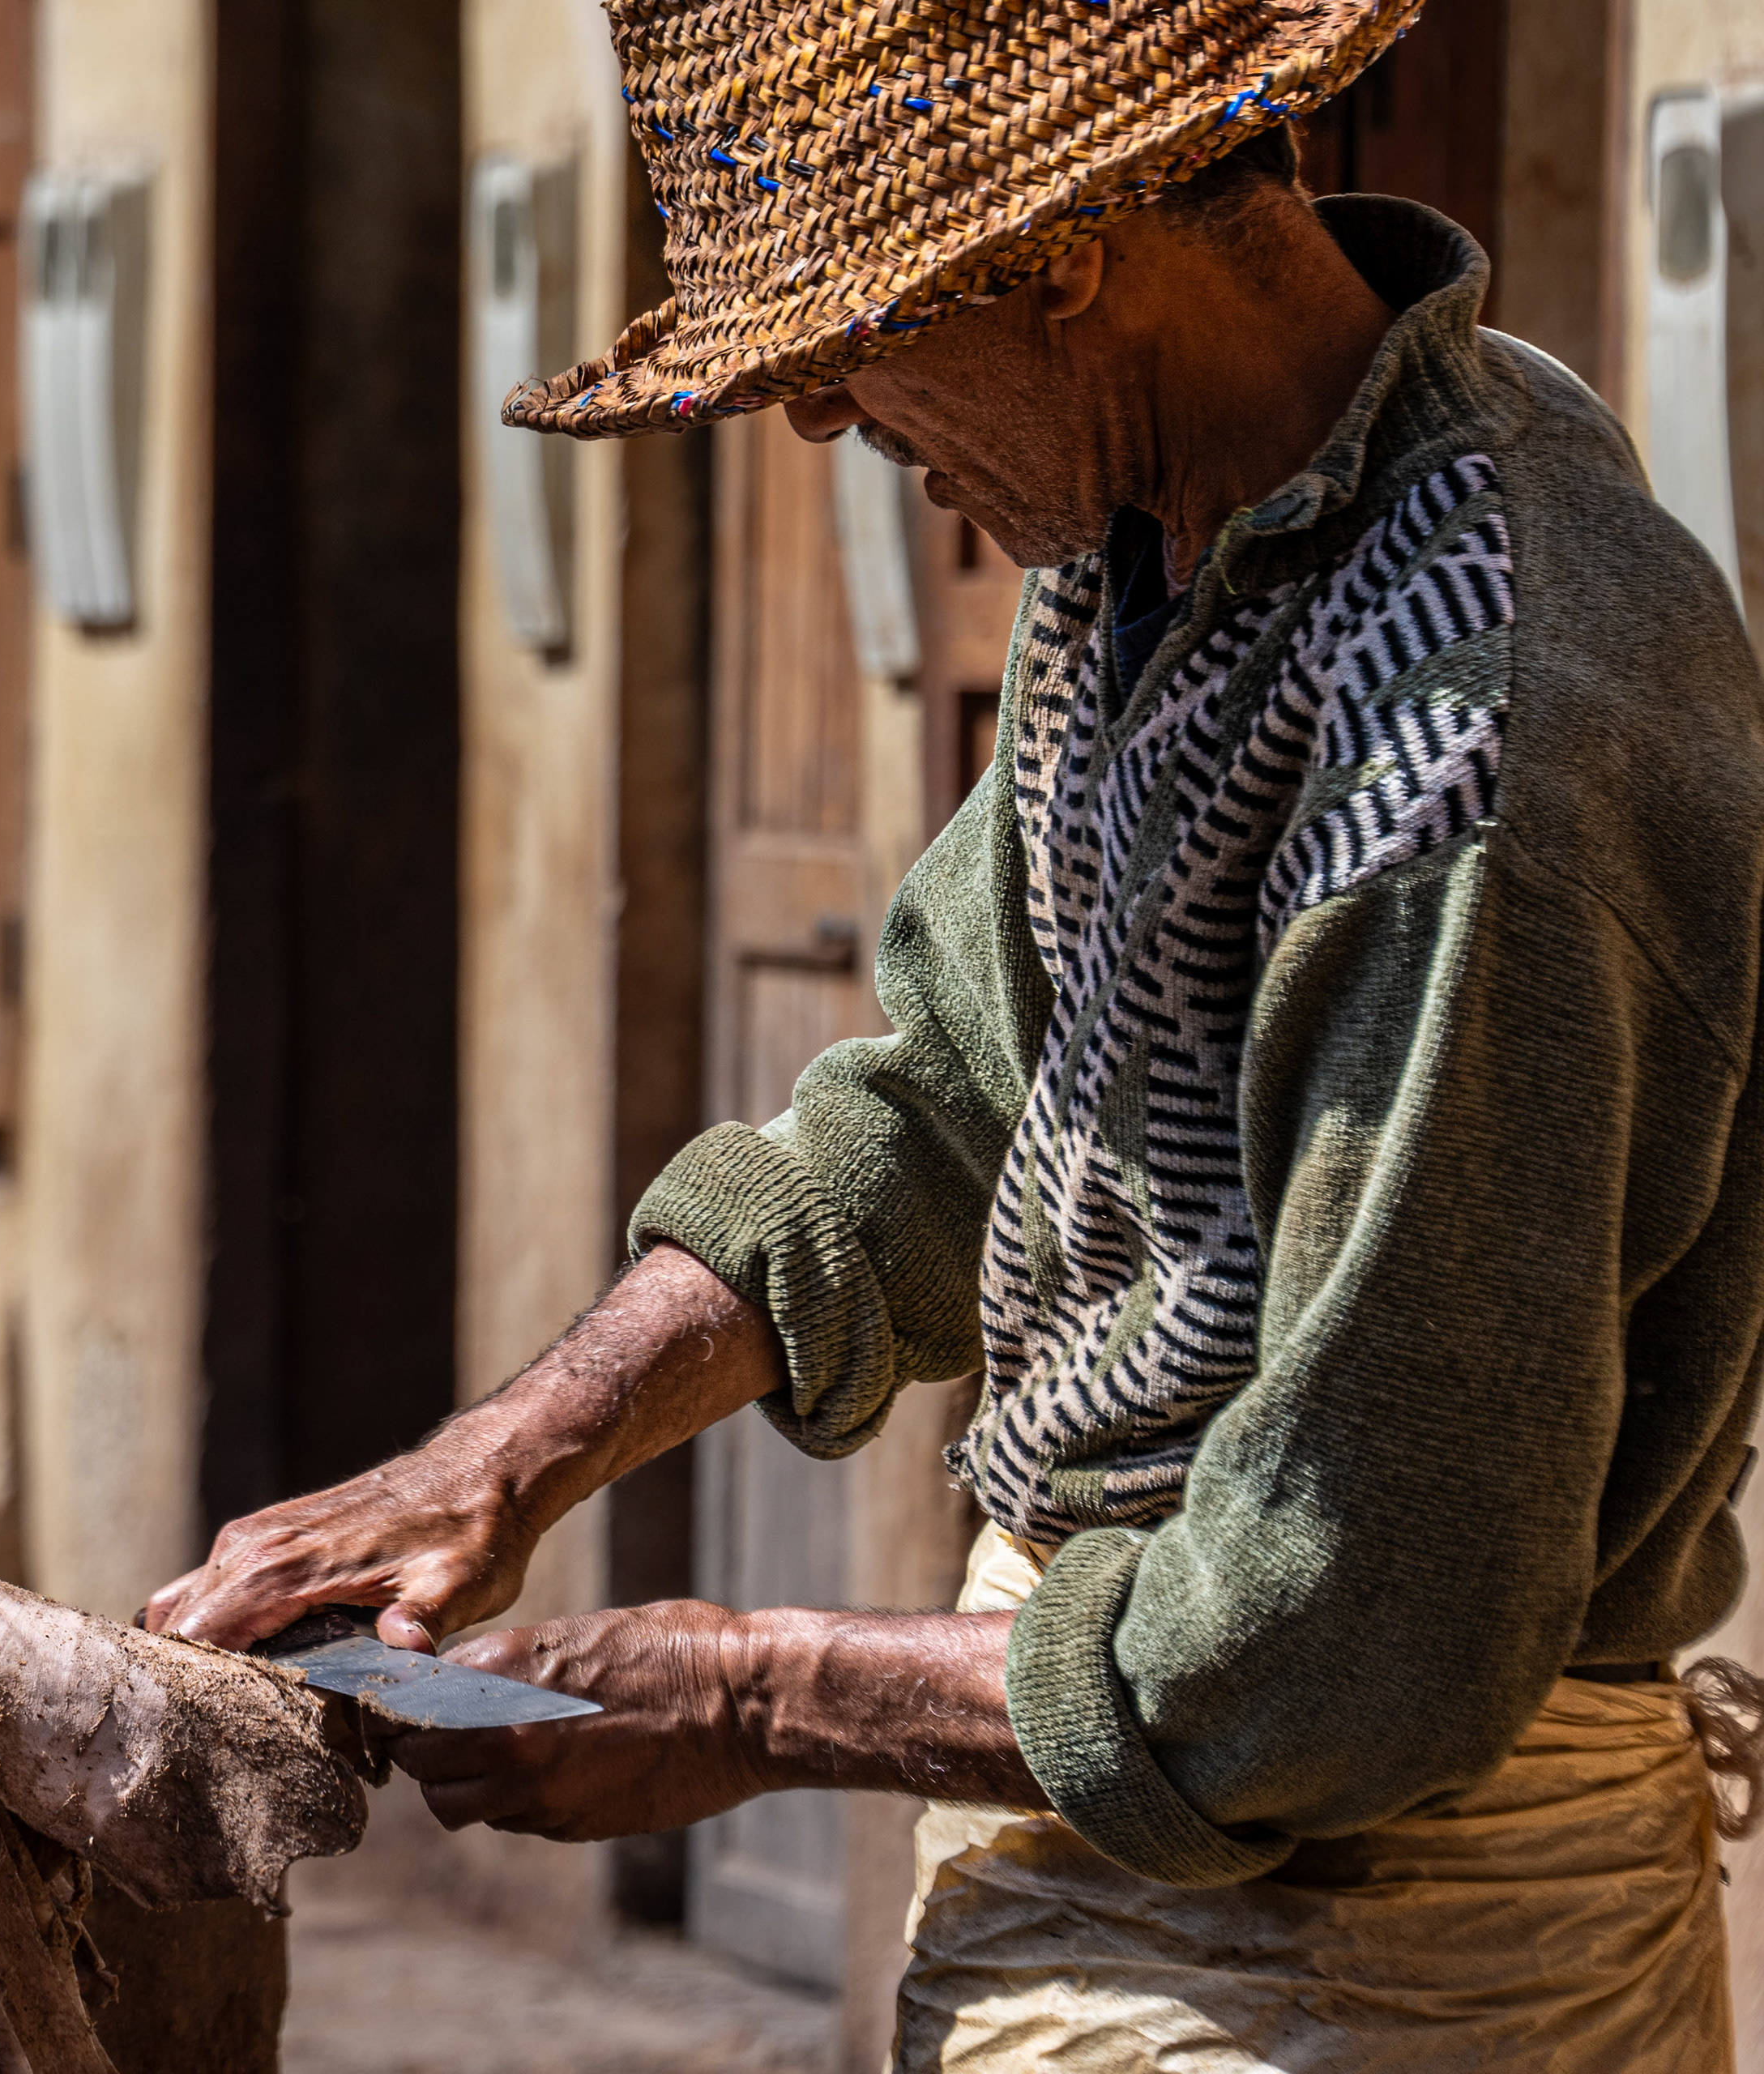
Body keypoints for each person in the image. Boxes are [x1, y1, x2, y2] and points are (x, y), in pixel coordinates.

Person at [148, 1, 1764, 2063]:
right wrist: (494, 1457)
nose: (823, 417)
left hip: (1389, 1942)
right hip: (1135, 1828)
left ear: (1061, 252)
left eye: (851, 343)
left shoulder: (1467, 732)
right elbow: (935, 1112)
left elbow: (1347, 1620)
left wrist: (752, 1688)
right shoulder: (1157, 526)